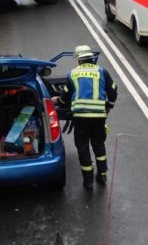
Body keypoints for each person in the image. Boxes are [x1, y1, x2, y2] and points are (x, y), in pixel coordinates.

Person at [53, 45, 117, 190]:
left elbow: (65, 98)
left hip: (80, 118)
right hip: (99, 117)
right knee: (99, 145)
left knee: (83, 148)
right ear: (91, 58)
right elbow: (113, 90)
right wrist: (109, 105)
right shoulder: (102, 72)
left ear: (79, 60)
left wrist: (56, 100)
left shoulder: (73, 74)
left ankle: (88, 181)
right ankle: (102, 175)